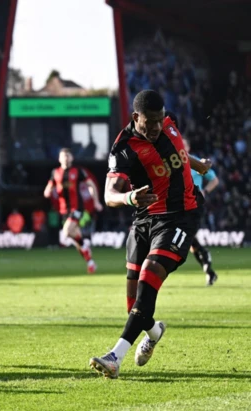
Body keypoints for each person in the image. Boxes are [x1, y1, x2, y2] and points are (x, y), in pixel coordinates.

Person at [89, 90, 211, 379]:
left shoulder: (169, 124)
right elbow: (109, 195)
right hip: (144, 219)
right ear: (135, 118)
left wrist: (198, 165)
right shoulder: (123, 149)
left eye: (160, 119)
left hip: (182, 216)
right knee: (133, 302)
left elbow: (178, 152)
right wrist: (130, 198)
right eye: (150, 121)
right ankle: (154, 331)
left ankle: (115, 356)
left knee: (150, 274)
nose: (157, 126)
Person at [44, 148, 103, 273]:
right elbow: (48, 188)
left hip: (77, 208)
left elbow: (91, 185)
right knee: (76, 240)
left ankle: (84, 246)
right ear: (59, 158)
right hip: (63, 210)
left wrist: (96, 201)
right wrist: (47, 192)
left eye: (67, 156)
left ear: (71, 158)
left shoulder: (78, 171)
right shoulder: (55, 172)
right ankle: (90, 262)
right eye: (63, 156)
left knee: (66, 232)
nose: (65, 158)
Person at [183, 137, 220, 286]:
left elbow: (215, 180)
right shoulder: (175, 164)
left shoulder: (196, 163)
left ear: (188, 147)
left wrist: (205, 190)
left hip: (196, 205)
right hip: (181, 206)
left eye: (183, 144)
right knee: (191, 244)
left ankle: (206, 258)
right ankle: (209, 270)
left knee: (188, 237)